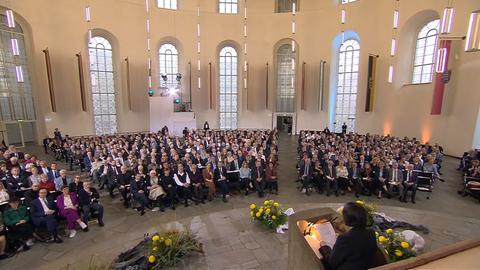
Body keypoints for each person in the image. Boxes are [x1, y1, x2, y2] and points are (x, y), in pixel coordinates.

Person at [319, 202, 379, 270]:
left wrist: (324, 247)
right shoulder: (371, 233)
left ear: (346, 219)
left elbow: (331, 262)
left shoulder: (345, 239)